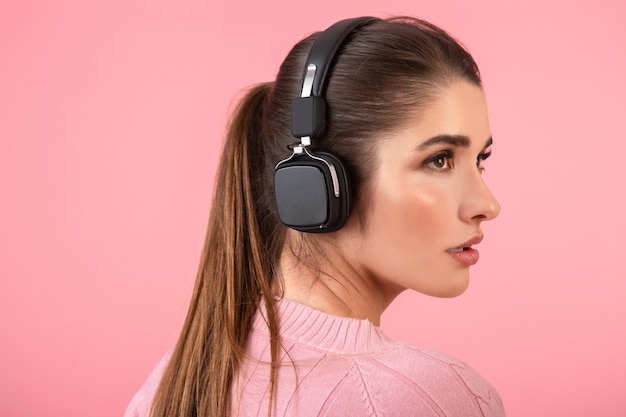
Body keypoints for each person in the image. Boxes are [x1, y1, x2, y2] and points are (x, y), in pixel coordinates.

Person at [125, 16, 505, 417]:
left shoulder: (178, 378)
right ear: (321, 182)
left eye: (480, 160)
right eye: (439, 160)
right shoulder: (426, 395)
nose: (488, 204)